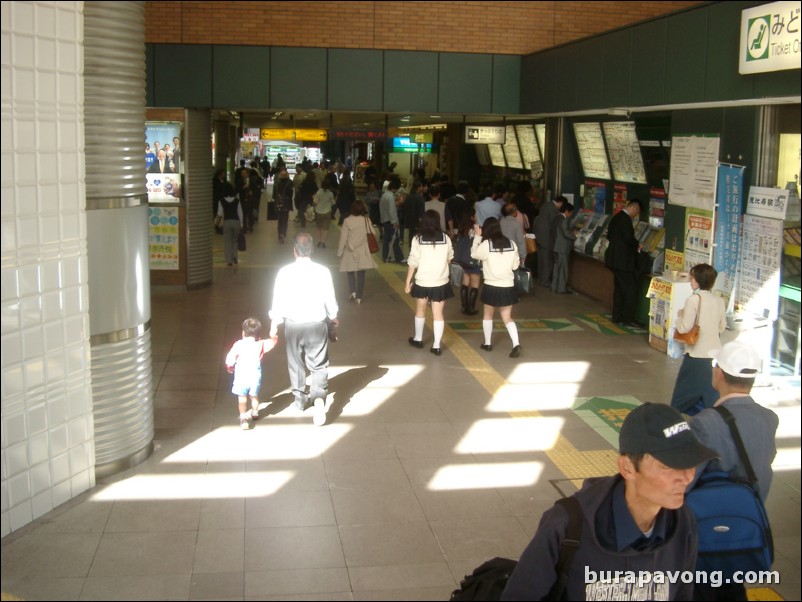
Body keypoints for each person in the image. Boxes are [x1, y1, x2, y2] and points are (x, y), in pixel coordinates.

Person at [502, 402, 718, 601]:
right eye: (669, 467)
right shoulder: (567, 526)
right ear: (627, 467)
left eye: (690, 463)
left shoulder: (682, 522)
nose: (687, 478)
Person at [688, 340, 779, 601]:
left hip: (709, 530)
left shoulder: (706, 423)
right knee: (732, 588)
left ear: (718, 373)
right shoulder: (769, 418)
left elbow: (686, 479)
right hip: (745, 526)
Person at [268, 233, 339, 427]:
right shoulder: (323, 271)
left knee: (295, 362)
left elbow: (278, 300)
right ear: (313, 250)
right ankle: (318, 399)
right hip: (317, 323)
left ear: (294, 251)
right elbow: (330, 300)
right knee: (319, 364)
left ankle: (299, 399)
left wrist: (274, 323)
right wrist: (333, 317)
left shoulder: (284, 272)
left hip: (293, 325)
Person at [670, 264, 727, 416]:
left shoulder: (693, 300)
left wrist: (679, 316)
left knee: (681, 395)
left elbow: (684, 328)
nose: (690, 280)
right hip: (714, 354)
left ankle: (672, 422)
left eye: (692, 277)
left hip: (696, 355)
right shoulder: (719, 301)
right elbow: (722, 327)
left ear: (698, 280)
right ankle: (714, 421)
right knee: (710, 393)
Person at [405, 210, 454, 355]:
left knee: (420, 310)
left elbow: (413, 262)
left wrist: (408, 282)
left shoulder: (417, 239)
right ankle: (437, 346)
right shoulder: (446, 238)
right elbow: (450, 258)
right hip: (440, 282)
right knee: (438, 314)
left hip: (423, 282)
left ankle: (418, 339)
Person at [471, 217, 522, 357]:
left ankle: (487, 343)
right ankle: (516, 344)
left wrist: (477, 236)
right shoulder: (511, 244)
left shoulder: (487, 244)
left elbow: (474, 254)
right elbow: (515, 266)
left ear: (486, 230)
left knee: (488, 315)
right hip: (507, 285)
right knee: (507, 316)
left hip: (491, 285)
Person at [225, 318, 277, 430]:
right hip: (255, 377)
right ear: (259, 334)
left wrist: (229, 366)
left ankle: (243, 418)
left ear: (243, 332)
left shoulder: (238, 344)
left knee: (242, 398)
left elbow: (230, 358)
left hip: (241, 377)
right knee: (254, 397)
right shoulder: (261, 344)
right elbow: (272, 343)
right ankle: (255, 412)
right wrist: (274, 335)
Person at [605, 199, 643, 326]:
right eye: (636, 212)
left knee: (619, 289)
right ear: (634, 208)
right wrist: (637, 244)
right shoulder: (625, 220)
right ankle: (628, 318)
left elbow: (609, 235)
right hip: (623, 262)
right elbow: (628, 238)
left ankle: (617, 316)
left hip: (614, 260)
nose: (636, 215)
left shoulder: (616, 218)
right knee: (630, 289)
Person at [338, 200, 377, 304]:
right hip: (362, 250)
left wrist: (340, 251)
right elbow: (373, 233)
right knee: (361, 274)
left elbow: (343, 238)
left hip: (350, 250)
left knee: (350, 271)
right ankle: (359, 297)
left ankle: (352, 291)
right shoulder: (366, 220)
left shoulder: (347, 221)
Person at [533, 195, 565, 287]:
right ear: (560, 203)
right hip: (546, 237)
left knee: (541, 259)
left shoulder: (545, 205)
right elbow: (554, 224)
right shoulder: (553, 209)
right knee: (547, 260)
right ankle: (545, 280)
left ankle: (540, 279)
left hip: (539, 236)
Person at [454, 212, 481, 316]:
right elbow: (478, 242)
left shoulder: (462, 230)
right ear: (472, 217)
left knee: (465, 282)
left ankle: (464, 307)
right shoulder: (476, 228)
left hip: (463, 260)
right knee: (475, 284)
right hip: (473, 259)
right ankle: (471, 308)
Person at [551, 202, 578, 294]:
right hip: (562, 248)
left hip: (555, 246)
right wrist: (575, 236)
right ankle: (561, 288)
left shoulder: (556, 218)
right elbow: (566, 233)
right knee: (563, 269)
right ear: (567, 211)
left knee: (556, 268)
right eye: (570, 213)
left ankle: (554, 286)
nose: (570, 215)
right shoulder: (564, 220)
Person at [216, 182, 243, 266]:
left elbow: (220, 214)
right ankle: (235, 256)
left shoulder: (221, 201)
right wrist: (241, 223)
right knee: (235, 240)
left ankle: (229, 260)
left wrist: (217, 222)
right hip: (236, 222)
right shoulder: (237, 200)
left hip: (227, 222)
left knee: (227, 242)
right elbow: (240, 213)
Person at [380, 177, 404, 263]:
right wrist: (395, 222)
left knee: (386, 240)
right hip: (390, 221)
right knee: (395, 240)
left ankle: (385, 257)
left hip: (385, 220)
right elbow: (392, 211)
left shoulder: (384, 195)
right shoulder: (390, 197)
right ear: (394, 188)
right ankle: (399, 258)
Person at [499, 202, 527, 269]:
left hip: (501, 251)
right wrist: (523, 256)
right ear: (514, 212)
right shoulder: (517, 224)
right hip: (513, 253)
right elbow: (521, 241)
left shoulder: (500, 222)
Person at [272, 166, 294, 243]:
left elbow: (274, 194)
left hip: (278, 203)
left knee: (280, 220)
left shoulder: (277, 183)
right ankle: (283, 233)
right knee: (285, 220)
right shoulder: (290, 182)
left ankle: (279, 234)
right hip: (286, 204)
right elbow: (290, 194)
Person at [312, 179, 335, 248]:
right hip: (327, 212)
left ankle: (319, 240)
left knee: (318, 227)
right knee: (326, 228)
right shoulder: (330, 193)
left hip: (318, 212)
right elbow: (333, 203)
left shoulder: (318, 192)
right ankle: (323, 242)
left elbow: (315, 202)